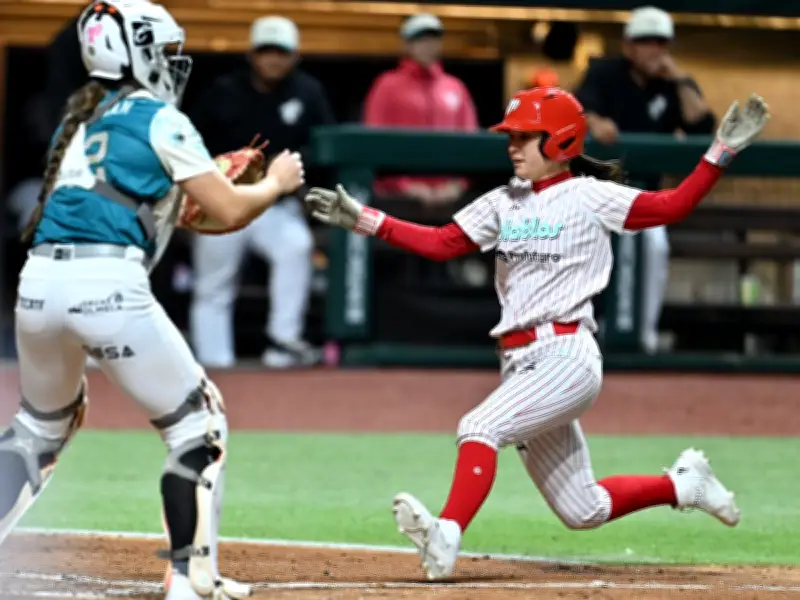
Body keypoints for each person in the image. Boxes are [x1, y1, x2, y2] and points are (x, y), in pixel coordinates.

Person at [305, 87, 769, 580]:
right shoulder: (504, 200)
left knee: (479, 427)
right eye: (512, 135)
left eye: (525, 136)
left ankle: (447, 534)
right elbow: (443, 244)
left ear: (561, 140)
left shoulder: (590, 195)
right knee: (582, 509)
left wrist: (720, 152)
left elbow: (672, 206)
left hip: (566, 354)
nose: (512, 145)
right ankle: (684, 486)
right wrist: (367, 221)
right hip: (518, 363)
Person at [0, 2, 304, 599]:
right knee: (198, 423)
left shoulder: (78, 121)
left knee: (37, 428)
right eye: (164, 52)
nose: (172, 63)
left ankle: (201, 572)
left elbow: (114, 201)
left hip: (36, 286)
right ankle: (190, 581)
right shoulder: (161, 117)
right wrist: (277, 182)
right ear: (137, 53)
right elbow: (232, 210)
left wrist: (173, 202)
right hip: (106, 284)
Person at [187, 15, 333, 369]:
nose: (273, 59)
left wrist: (291, 165)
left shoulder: (307, 92)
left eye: (281, 52)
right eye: (266, 51)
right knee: (212, 283)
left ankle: (282, 347)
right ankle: (214, 361)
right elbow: (192, 144)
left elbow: (325, 145)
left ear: (295, 55)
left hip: (275, 204)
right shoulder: (224, 91)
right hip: (223, 202)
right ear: (252, 54)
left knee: (295, 247)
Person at [574, 6, 717, 354]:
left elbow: (701, 126)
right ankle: (584, 335)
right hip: (597, 194)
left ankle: (645, 336)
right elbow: (577, 106)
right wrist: (593, 121)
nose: (654, 49)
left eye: (660, 42)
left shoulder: (676, 84)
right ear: (628, 46)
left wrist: (680, 79)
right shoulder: (605, 72)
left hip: (648, 198)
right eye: (645, 41)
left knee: (654, 246)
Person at [363, 13, 479, 207]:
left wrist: (457, 185)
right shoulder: (386, 86)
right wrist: (405, 186)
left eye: (434, 39)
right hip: (398, 200)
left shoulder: (455, 87)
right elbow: (372, 143)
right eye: (421, 40)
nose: (428, 46)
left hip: (451, 200)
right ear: (406, 45)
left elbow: (472, 143)